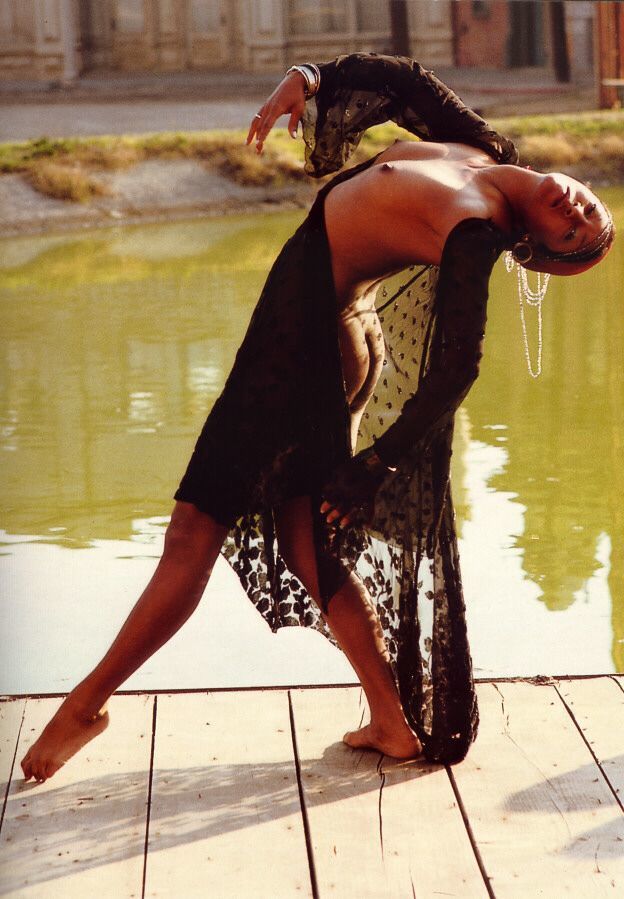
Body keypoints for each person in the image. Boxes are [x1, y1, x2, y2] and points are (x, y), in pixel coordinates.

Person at [21, 54, 614, 784]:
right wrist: (306, 79)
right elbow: (406, 82)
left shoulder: (476, 228)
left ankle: (86, 704)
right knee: (307, 545)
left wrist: (379, 464)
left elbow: (460, 363)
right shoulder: (483, 151)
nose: (576, 214)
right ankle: (391, 723)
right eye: (588, 212)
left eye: (571, 233)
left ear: (531, 246)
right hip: (326, 337)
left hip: (301, 356)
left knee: (193, 530)